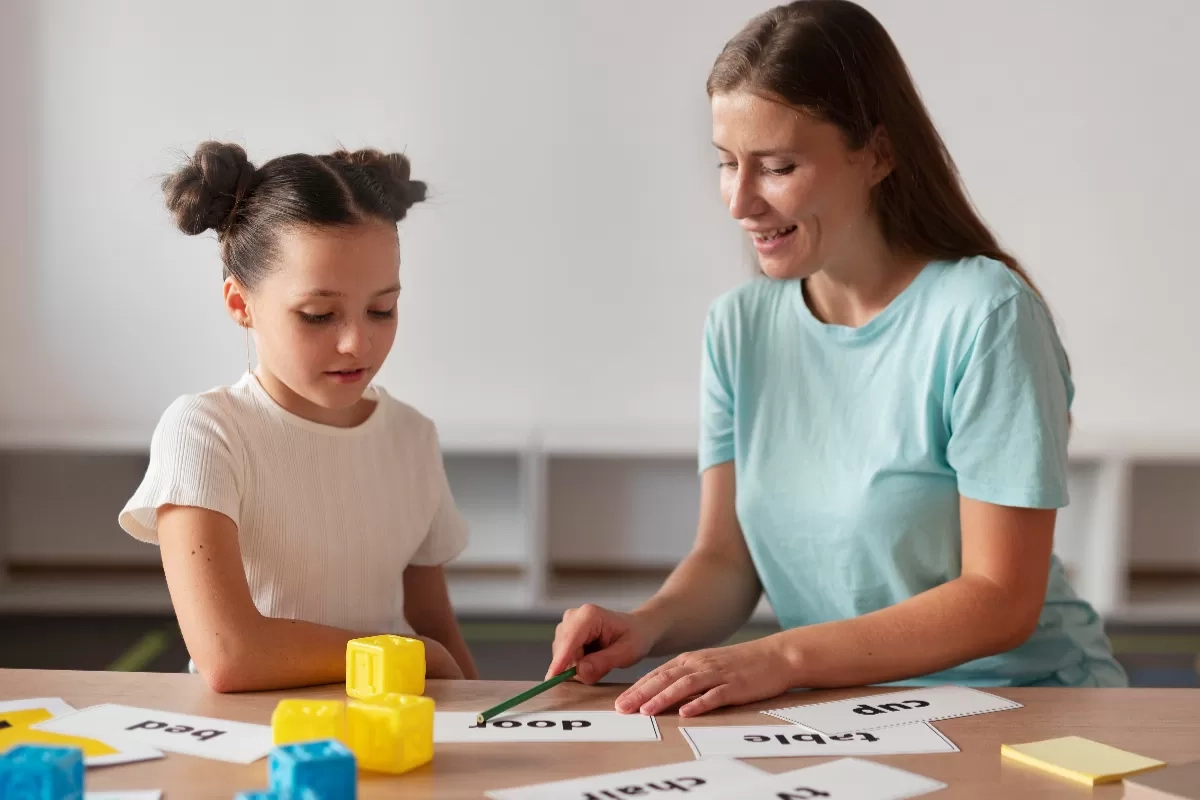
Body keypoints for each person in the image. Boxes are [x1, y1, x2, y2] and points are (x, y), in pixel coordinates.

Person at [547, 0, 1127, 717]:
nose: (738, 201)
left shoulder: (986, 314)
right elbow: (728, 560)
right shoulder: (738, 327)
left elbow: (1001, 600)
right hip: (857, 715)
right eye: (727, 164)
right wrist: (649, 624)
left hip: (1026, 706)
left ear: (878, 154)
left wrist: (783, 657)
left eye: (778, 166)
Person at [119, 142, 478, 692]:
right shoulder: (206, 431)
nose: (357, 342)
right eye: (318, 315)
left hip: (391, 733)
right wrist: (410, 655)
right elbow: (230, 654)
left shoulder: (411, 436)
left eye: (382, 309)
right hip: (254, 743)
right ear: (240, 304)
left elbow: (442, 641)